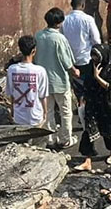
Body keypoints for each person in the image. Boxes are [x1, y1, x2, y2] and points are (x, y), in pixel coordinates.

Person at [35, 8, 79, 149]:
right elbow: (67, 63)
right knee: (65, 112)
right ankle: (65, 139)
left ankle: (50, 139)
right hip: (59, 82)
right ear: (59, 23)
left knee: (48, 112)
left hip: (43, 82)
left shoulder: (38, 36)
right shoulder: (60, 39)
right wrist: (75, 72)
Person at [75, 45, 111, 171]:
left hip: (106, 102)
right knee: (89, 129)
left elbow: (109, 86)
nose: (94, 59)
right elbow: (86, 81)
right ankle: (87, 160)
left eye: (96, 56)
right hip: (92, 100)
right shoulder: (92, 64)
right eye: (93, 55)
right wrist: (83, 97)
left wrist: (97, 77)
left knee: (110, 129)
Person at [7, 35, 49, 128]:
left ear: (20, 50)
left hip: (19, 118)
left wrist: (13, 111)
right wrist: (45, 113)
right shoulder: (40, 71)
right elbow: (43, 96)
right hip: (36, 117)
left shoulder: (11, 69)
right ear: (34, 51)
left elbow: (12, 94)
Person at [62, 0, 100, 92]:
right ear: (83, 5)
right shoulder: (88, 19)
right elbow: (96, 40)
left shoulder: (64, 20)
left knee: (75, 89)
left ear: (71, 4)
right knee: (88, 89)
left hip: (70, 62)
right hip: (85, 59)